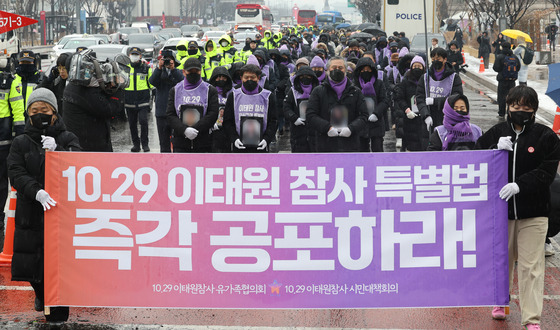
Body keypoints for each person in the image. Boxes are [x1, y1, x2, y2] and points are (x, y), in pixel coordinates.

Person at [475, 85, 560, 330]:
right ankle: (500, 302)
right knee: (502, 260)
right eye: (515, 106)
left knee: (531, 266)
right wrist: (492, 150)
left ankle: (531, 318)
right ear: (508, 106)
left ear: (533, 109)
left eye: (526, 107)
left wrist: (519, 185)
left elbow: (547, 171)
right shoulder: (497, 132)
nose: (520, 111)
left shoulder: (546, 137)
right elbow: (473, 159)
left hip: (534, 213)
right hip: (501, 213)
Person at [7, 88, 81, 322]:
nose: (40, 114)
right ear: (28, 114)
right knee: (32, 264)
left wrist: (59, 152)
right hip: (31, 212)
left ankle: (58, 313)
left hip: (61, 213)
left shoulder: (67, 138)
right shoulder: (20, 142)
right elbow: (15, 171)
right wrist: (35, 191)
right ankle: (39, 293)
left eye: (45, 110)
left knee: (60, 267)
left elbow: (82, 165)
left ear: (55, 113)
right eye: (35, 110)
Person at [63, 50, 126, 152]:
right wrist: (118, 89)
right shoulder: (85, 90)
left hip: (80, 145)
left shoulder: (73, 86)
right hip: (91, 149)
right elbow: (110, 109)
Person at [306, 56, 368, 152]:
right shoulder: (318, 91)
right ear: (327, 70)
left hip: (351, 144)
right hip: (325, 143)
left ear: (346, 70)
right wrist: (327, 128)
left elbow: (363, 115)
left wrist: (351, 128)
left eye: (340, 68)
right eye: (334, 68)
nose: (337, 70)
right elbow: (310, 114)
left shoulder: (355, 91)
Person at [166, 57, 219, 153]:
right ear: (184, 72)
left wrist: (196, 128)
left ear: (201, 71)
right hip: (180, 143)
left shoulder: (210, 90)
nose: (194, 73)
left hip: (204, 143)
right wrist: (184, 130)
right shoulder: (175, 90)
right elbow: (170, 114)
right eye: (190, 71)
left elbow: (213, 114)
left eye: (197, 71)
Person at [223, 64, 277, 153]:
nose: (249, 80)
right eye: (246, 77)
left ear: (258, 78)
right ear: (241, 78)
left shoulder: (268, 96)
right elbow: (228, 121)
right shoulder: (233, 95)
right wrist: (234, 139)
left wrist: (266, 139)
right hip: (239, 145)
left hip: (260, 145)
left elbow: (273, 121)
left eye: (252, 77)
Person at [0, 58, 24, 251]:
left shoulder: (9, 80)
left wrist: (19, 135)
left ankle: (0, 217)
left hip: (3, 141)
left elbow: (17, 109)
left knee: (2, 182)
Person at [416, 47, 463, 129]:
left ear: (445, 59)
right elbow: (420, 98)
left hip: (447, 118)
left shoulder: (454, 78)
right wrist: (425, 115)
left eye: (438, 58)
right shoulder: (425, 77)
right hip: (429, 119)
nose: (435, 61)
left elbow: (456, 97)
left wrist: (435, 101)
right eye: (433, 59)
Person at [149, 49, 183, 153]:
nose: (167, 62)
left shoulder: (177, 72)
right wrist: (159, 68)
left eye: (170, 60)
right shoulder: (159, 72)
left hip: (176, 113)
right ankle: (164, 166)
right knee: (163, 144)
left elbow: (182, 82)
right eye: (165, 60)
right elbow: (152, 81)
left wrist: (173, 69)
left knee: (178, 142)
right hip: (161, 113)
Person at [353, 57, 388, 152]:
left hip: (376, 122)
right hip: (360, 122)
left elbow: (384, 101)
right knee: (362, 151)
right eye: (363, 69)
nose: (366, 71)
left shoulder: (379, 84)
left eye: (368, 69)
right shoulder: (354, 85)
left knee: (377, 149)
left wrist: (376, 113)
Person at [395, 56, 429, 151]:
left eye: (419, 66)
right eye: (415, 66)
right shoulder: (405, 82)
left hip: (423, 117)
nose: (417, 68)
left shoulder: (427, 82)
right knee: (411, 143)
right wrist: (407, 110)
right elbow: (400, 98)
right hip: (410, 117)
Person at [283, 66, 319, 152]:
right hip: (298, 130)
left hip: (315, 130)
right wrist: (294, 118)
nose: (305, 78)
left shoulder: (318, 90)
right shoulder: (293, 91)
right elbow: (286, 106)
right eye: (302, 76)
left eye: (308, 76)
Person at [125, 47, 152, 152]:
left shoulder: (145, 68)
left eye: (136, 54)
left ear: (140, 56)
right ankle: (136, 144)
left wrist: (153, 92)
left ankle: (145, 144)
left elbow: (151, 83)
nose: (134, 56)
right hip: (129, 100)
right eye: (133, 54)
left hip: (143, 100)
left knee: (143, 121)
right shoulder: (126, 68)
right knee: (132, 124)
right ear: (129, 55)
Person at [208, 66, 234, 153]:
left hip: (227, 128)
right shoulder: (209, 91)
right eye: (218, 77)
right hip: (213, 128)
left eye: (223, 77)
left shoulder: (232, 92)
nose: (221, 79)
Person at [493, 42, 520, 118]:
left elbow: (495, 68)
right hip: (512, 81)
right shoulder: (514, 57)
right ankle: (510, 112)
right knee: (511, 97)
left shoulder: (500, 56)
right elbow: (518, 68)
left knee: (502, 97)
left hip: (502, 80)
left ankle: (501, 113)